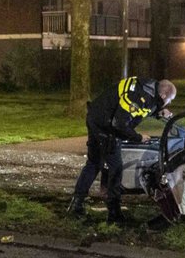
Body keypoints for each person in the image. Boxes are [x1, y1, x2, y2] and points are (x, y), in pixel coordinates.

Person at [69, 76, 177, 222]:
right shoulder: (140, 95)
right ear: (163, 95)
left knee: (94, 163)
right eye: (170, 100)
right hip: (105, 127)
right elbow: (119, 123)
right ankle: (114, 213)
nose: (169, 103)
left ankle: (76, 204)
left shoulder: (148, 88)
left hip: (96, 118)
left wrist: (158, 112)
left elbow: (140, 109)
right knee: (116, 168)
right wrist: (137, 137)